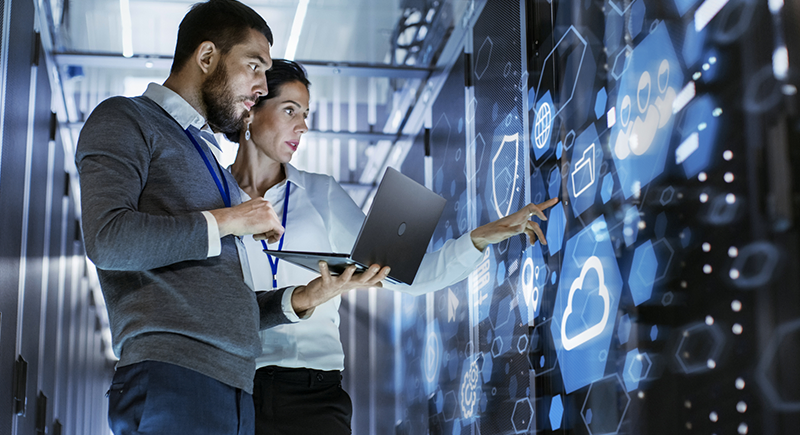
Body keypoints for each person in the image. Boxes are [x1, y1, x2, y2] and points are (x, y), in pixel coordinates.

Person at [75, 3, 386, 434]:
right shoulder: (126, 118)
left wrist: (307, 296)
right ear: (206, 58)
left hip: (234, 388)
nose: (261, 86)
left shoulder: (207, 159)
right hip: (175, 376)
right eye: (254, 66)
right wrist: (228, 221)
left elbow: (229, 304)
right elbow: (108, 240)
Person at [226, 59, 559, 434]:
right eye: (290, 110)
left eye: (305, 113)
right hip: (232, 390)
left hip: (313, 396)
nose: (303, 126)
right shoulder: (213, 200)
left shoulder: (322, 194)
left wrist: (479, 237)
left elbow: (406, 276)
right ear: (251, 109)